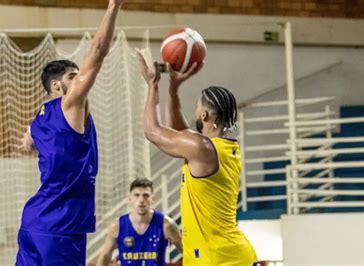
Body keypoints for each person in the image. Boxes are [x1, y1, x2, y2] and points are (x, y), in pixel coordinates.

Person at [15, 0, 125, 265]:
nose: (79, 80)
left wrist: (29, 142)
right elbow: (97, 52)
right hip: (61, 226)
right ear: (57, 85)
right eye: (73, 76)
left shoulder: (39, 118)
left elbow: (28, 141)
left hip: (33, 222)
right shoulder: (70, 104)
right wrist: (113, 6)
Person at [136, 52, 258, 265]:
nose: (195, 112)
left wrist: (152, 85)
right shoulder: (220, 147)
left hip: (215, 258)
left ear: (204, 116)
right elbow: (180, 130)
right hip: (226, 254)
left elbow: (152, 131)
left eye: (197, 108)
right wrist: (173, 89)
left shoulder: (202, 148)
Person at [97, 178, 182, 266]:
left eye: (146, 195)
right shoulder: (117, 226)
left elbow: (187, 253)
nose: (141, 199)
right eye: (137, 195)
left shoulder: (166, 225)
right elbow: (105, 256)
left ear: (152, 198)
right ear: (129, 198)